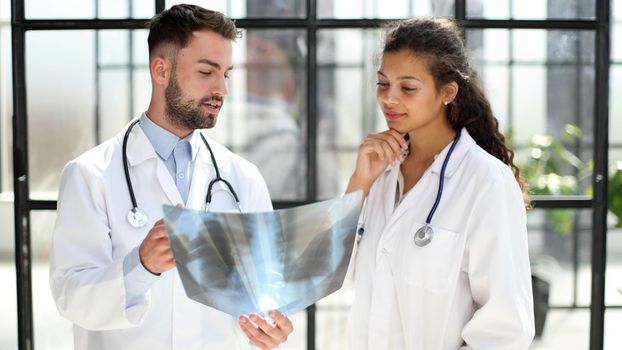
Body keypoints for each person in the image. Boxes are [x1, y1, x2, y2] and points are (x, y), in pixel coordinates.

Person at [49, 4, 293, 350]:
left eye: (227, 73)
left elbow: (266, 289)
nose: (222, 89)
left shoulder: (242, 179)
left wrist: (269, 325)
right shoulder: (90, 175)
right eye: (207, 72)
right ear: (161, 70)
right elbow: (70, 296)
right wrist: (142, 264)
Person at [345, 17, 535, 349]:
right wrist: (359, 183)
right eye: (382, 83)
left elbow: (505, 327)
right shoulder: (380, 172)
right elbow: (333, 273)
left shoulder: (485, 181)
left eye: (407, 88)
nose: (389, 99)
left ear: (447, 92)